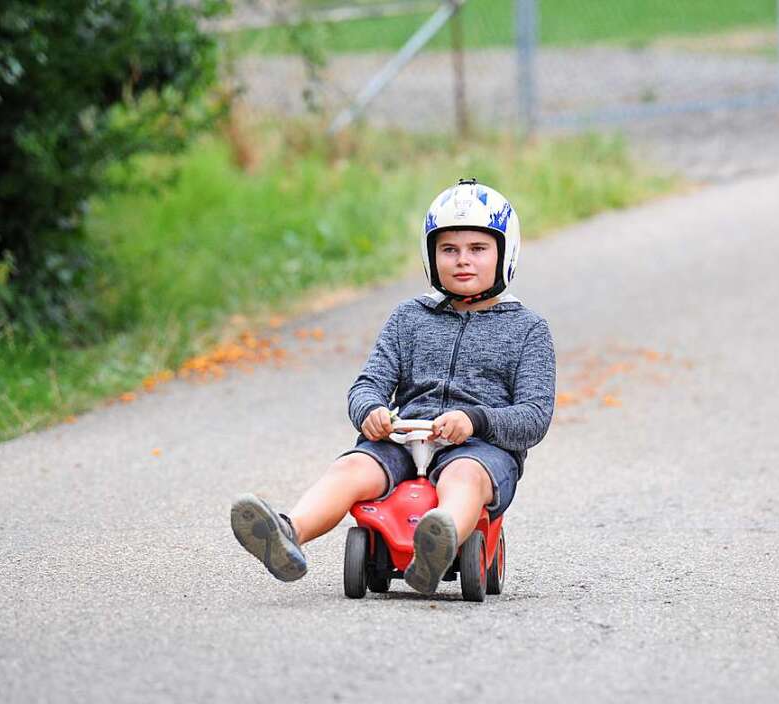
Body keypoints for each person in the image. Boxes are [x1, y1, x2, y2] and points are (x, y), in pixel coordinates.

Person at [230, 178, 556, 594]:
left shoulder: (527, 330)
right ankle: (287, 533)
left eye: (478, 249)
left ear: (504, 252)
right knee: (351, 467)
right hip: (405, 437)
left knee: (463, 476)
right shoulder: (409, 318)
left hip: (481, 447)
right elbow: (368, 384)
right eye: (449, 250)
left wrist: (475, 420)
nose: (462, 261)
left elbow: (534, 416)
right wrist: (371, 412)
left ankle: (437, 545)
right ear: (430, 255)